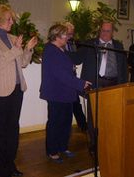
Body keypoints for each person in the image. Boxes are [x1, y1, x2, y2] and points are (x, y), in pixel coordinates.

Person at [0, 4, 37, 177]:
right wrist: (15, 49)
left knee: (13, 129)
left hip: (17, 89)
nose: (12, 22)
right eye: (8, 19)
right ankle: (2, 170)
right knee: (0, 132)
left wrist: (27, 49)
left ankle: (11, 165)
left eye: (12, 18)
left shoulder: (13, 37)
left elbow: (23, 63)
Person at [70, 22, 128, 152]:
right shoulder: (90, 44)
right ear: (99, 31)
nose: (105, 33)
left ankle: (108, 140)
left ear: (112, 32)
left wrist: (124, 85)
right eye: (102, 30)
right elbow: (77, 58)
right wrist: (60, 49)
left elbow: (124, 67)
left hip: (113, 84)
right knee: (93, 115)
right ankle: (94, 144)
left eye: (108, 31)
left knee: (110, 115)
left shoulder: (118, 46)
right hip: (96, 83)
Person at [40, 24, 91, 163]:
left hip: (66, 92)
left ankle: (62, 147)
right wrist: (80, 83)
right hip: (56, 93)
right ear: (56, 36)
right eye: (65, 35)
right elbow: (60, 75)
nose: (68, 37)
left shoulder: (60, 49)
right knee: (55, 123)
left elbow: (67, 70)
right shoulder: (50, 50)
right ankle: (52, 151)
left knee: (65, 123)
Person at [63, 22, 87, 131]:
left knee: (76, 102)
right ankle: (81, 125)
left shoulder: (72, 43)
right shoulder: (59, 44)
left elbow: (76, 58)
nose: (71, 36)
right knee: (71, 103)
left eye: (72, 34)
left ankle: (82, 125)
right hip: (63, 77)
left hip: (72, 74)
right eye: (69, 33)